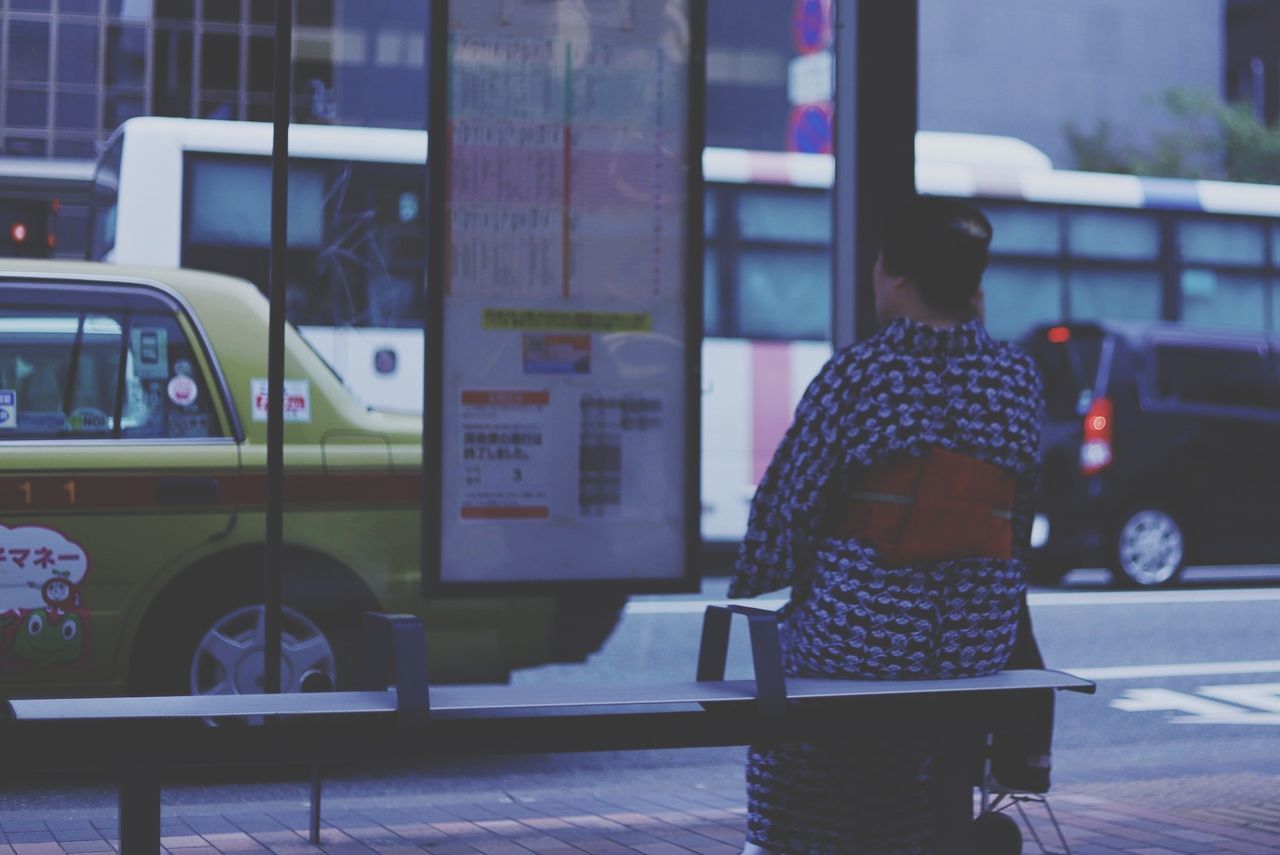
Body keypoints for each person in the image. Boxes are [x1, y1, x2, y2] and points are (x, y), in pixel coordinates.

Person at [730, 195, 1045, 853]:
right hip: (973, 643)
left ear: (896, 276)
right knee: (918, 727)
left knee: (797, 684)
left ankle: (803, 838)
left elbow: (790, 507)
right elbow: (1019, 522)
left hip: (862, 638)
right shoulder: (1017, 377)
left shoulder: (861, 371)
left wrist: (758, 577)